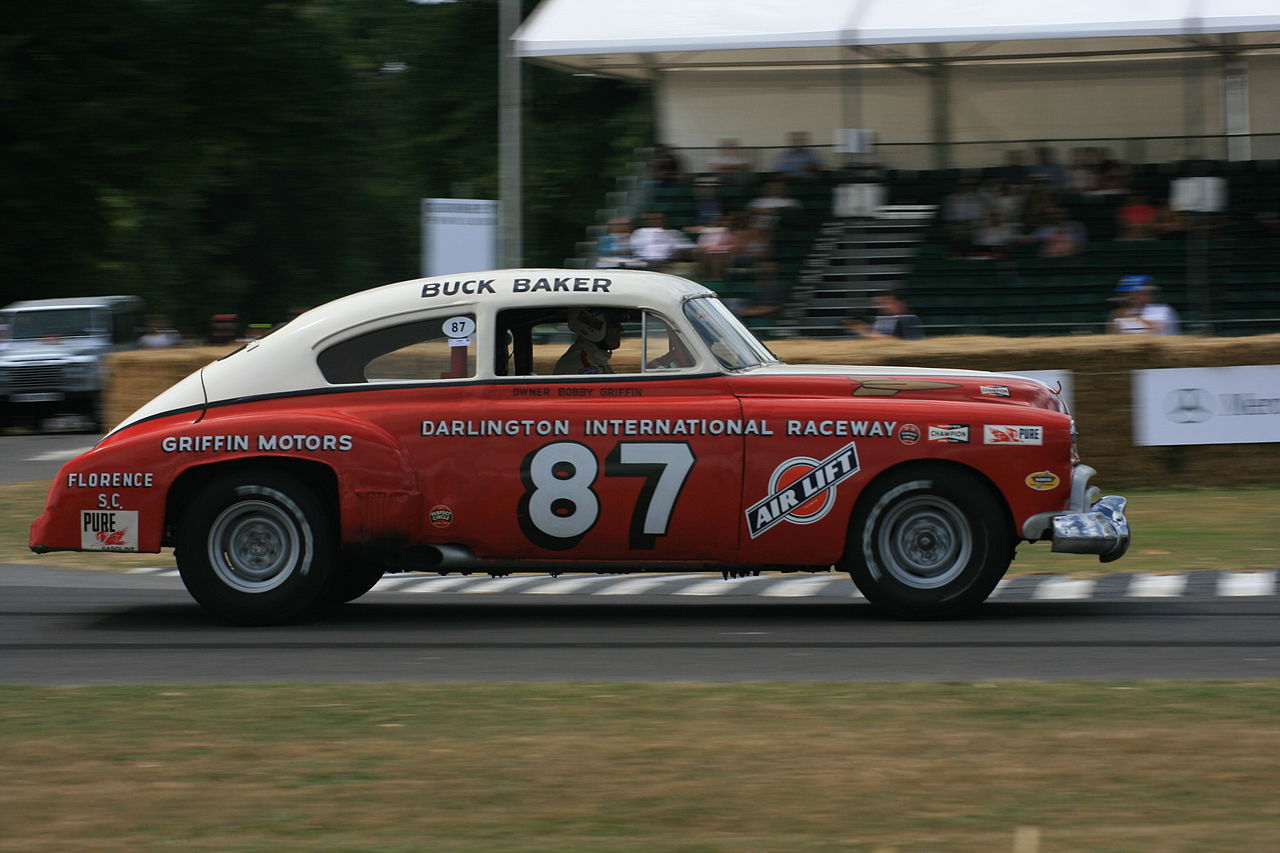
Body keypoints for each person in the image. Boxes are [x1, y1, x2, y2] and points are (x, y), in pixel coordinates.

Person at [554, 308, 622, 375]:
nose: (621, 329)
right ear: (593, 328)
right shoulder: (582, 363)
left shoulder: (595, 359)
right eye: (615, 325)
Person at [1109, 276, 1180, 335]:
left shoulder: (1163, 310)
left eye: (1135, 293)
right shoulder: (1123, 313)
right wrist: (1115, 316)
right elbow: (1115, 336)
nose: (1130, 297)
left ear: (1148, 293)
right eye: (1126, 293)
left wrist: (1130, 316)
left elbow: (1156, 330)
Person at [629, 210, 694, 271]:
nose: (654, 221)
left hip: (667, 263)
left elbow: (687, 249)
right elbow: (632, 249)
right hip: (643, 263)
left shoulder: (673, 233)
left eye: (657, 219)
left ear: (663, 220)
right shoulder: (639, 232)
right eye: (651, 219)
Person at [845, 292, 924, 340]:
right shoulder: (884, 318)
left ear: (897, 303)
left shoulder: (908, 318)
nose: (879, 307)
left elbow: (893, 340)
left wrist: (862, 331)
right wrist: (863, 327)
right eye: (878, 304)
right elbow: (880, 334)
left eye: (884, 303)